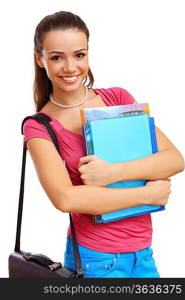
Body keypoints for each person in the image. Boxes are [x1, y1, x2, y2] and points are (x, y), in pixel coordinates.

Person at [23, 11, 184, 278]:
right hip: (96, 260)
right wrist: (147, 194)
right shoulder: (39, 126)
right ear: (40, 59)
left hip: (143, 253)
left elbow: (174, 159)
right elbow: (66, 198)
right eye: (56, 57)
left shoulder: (117, 99)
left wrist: (112, 173)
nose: (70, 67)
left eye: (79, 55)